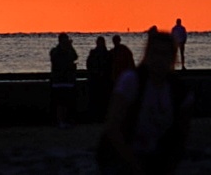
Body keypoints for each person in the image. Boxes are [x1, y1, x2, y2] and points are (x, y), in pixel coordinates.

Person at [96, 30, 193, 175]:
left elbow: (182, 134)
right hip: (121, 156)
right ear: (147, 55)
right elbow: (113, 126)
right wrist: (132, 161)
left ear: (172, 57)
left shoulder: (179, 90)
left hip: (157, 157)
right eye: (155, 53)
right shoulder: (132, 81)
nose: (159, 59)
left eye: (164, 54)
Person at [49, 33, 79, 128]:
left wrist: (70, 46)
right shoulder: (55, 51)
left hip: (67, 81)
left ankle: (67, 120)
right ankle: (60, 121)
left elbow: (75, 56)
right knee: (60, 103)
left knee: (67, 103)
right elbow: (54, 58)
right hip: (59, 81)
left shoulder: (69, 50)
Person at [86, 36, 114, 121]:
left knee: (104, 99)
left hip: (104, 79)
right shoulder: (95, 53)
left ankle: (102, 116)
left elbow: (110, 65)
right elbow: (89, 65)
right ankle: (97, 116)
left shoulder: (107, 54)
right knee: (96, 99)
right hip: (96, 79)